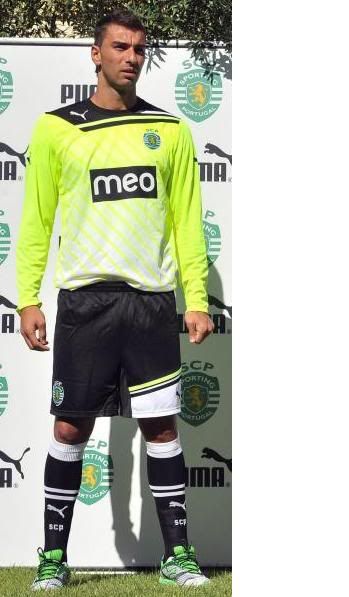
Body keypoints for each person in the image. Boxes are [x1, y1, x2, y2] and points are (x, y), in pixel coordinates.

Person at [16, 9, 214, 590]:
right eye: (120, 47)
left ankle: (178, 557)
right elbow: (36, 220)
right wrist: (27, 298)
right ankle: (53, 560)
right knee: (69, 431)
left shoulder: (170, 130)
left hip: (150, 304)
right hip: (86, 305)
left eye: (139, 49)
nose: (132, 58)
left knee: (162, 430)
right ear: (95, 54)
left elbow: (187, 222)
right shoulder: (56, 129)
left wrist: (196, 298)